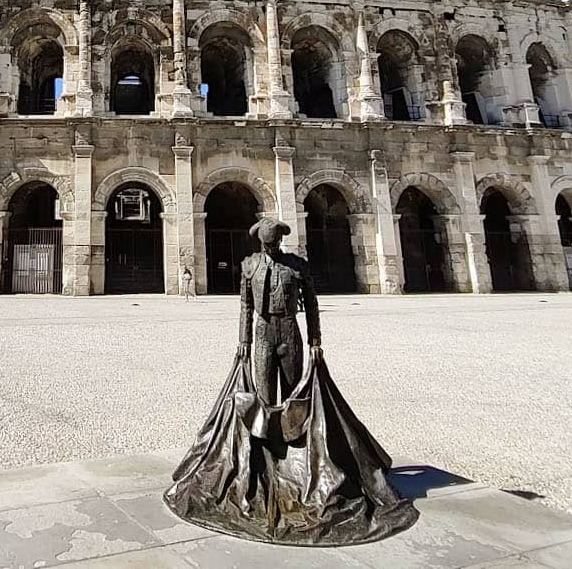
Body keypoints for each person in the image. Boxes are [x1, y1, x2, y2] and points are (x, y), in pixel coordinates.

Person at [165, 217, 417, 546]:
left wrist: (315, 341)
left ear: (278, 242)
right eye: (265, 244)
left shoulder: (296, 266)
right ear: (259, 243)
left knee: (298, 397)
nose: (269, 248)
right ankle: (264, 466)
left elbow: (311, 304)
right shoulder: (250, 266)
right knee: (264, 401)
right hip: (263, 334)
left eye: (272, 243)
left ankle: (298, 463)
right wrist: (243, 340)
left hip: (290, 334)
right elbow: (245, 305)